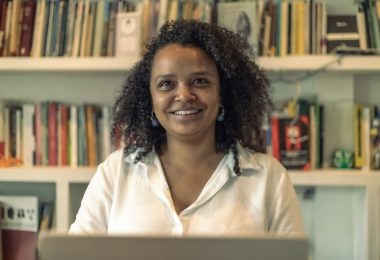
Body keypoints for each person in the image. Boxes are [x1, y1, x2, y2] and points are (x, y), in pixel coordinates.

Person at [69, 20, 304, 235]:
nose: (183, 95)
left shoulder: (269, 178)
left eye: (200, 81)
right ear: (149, 98)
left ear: (222, 94)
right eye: (166, 84)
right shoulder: (115, 173)